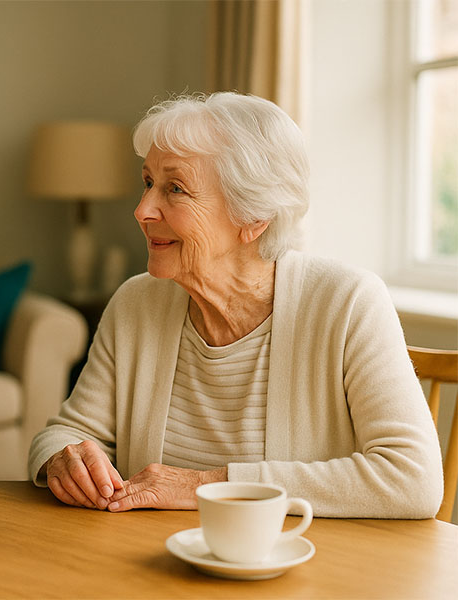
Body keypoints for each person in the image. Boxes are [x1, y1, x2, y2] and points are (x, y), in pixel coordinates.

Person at [28, 92, 443, 519]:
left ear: (253, 217)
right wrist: (63, 459)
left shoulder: (348, 303)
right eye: (148, 182)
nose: (142, 210)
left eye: (175, 188)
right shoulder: (136, 303)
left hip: (300, 568)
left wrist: (205, 485)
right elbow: (67, 432)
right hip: (151, 567)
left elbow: (413, 479)